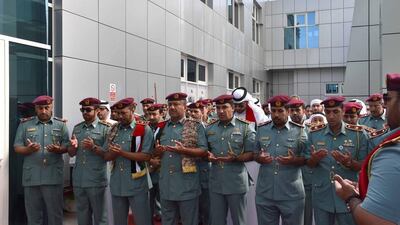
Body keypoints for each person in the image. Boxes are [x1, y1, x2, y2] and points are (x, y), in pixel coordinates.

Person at [334, 73, 400, 225]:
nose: (384, 106)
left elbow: (372, 219)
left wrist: (350, 197)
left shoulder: (392, 152)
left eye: (388, 99)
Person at [305, 96, 369, 225]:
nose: (331, 116)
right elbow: (308, 163)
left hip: (347, 196)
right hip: (322, 194)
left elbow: (364, 165)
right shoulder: (314, 133)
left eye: (335, 112)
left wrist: (349, 163)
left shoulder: (358, 135)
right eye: (328, 112)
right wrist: (314, 159)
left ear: (343, 111)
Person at [14, 95, 69, 225]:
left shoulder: (60, 125)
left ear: (51, 108)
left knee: (55, 215)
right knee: (33, 216)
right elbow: (17, 147)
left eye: (46, 108)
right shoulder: (25, 124)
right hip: (32, 177)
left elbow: (68, 146)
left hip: (53, 177)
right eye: (40, 108)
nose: (43, 111)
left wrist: (58, 149)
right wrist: (29, 150)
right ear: (35, 109)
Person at [154, 92, 208, 225]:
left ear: (185, 107)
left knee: (189, 221)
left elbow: (203, 151)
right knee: (168, 221)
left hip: (186, 185)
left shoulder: (195, 125)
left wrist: (184, 150)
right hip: (166, 185)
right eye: (170, 105)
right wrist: (158, 151)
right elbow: (153, 153)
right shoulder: (161, 127)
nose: (172, 107)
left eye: (176, 104)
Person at [254, 95, 307, 225]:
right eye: (273, 111)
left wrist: (294, 160)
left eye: (280, 111)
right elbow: (254, 154)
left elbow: (307, 159)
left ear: (288, 111)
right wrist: (259, 158)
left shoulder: (300, 131)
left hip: (291, 194)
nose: (276, 115)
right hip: (265, 193)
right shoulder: (262, 129)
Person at [206, 94, 256, 225]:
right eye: (218, 108)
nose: (221, 111)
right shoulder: (210, 128)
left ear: (233, 107)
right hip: (216, 182)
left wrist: (236, 158)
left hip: (236, 183)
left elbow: (252, 153)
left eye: (225, 107)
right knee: (217, 221)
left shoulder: (245, 127)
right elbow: (205, 150)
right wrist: (207, 156)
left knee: (239, 221)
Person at [103, 97, 154, 225]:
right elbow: (106, 156)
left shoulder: (143, 129)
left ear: (132, 110)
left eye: (123, 113)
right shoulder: (113, 129)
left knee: (142, 220)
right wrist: (111, 153)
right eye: (118, 113)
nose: (120, 116)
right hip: (117, 183)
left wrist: (121, 153)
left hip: (136, 183)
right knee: (119, 221)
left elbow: (146, 156)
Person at [68, 97, 110, 225]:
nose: (85, 113)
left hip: (96, 179)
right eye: (82, 110)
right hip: (79, 179)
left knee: (100, 217)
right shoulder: (77, 128)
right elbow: (71, 153)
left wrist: (93, 147)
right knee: (82, 215)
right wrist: (72, 147)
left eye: (88, 110)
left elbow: (108, 155)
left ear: (97, 110)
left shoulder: (105, 128)